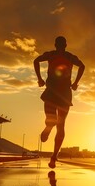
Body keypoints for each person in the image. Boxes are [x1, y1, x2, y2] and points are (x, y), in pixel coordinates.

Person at [34, 36, 85, 168]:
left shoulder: (51, 54)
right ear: (66, 45)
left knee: (52, 119)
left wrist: (39, 78)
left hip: (52, 91)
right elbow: (82, 66)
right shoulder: (70, 57)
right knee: (61, 125)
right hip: (63, 94)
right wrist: (75, 83)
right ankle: (54, 156)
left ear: (55, 44)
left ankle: (49, 126)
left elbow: (36, 60)